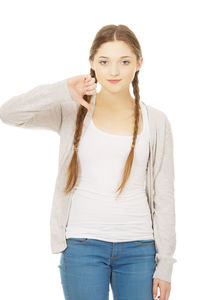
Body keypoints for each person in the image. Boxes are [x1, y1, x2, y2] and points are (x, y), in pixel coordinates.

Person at [0, 24, 177, 300]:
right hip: (82, 246)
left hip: (139, 249)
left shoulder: (156, 121)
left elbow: (164, 197)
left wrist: (165, 264)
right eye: (104, 62)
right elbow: (9, 113)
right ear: (92, 63)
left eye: (124, 61)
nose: (114, 71)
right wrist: (61, 90)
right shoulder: (73, 109)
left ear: (139, 63)